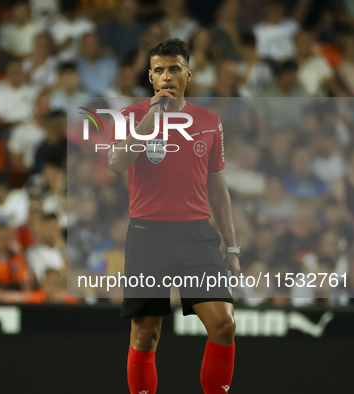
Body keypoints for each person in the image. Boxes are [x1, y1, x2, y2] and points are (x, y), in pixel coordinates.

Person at [107, 38, 240, 394]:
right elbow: (116, 163)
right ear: (151, 77)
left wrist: (233, 246)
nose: (167, 77)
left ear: (188, 74)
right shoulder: (132, 116)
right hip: (148, 235)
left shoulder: (210, 122)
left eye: (174, 69)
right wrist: (152, 117)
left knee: (225, 324)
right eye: (160, 70)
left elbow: (218, 189)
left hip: (197, 236)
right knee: (145, 334)